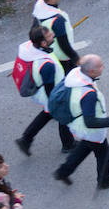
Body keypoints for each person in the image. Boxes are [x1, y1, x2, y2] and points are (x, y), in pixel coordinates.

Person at [53, 54, 109, 189]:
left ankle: (63, 171)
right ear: (92, 71)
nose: (103, 67)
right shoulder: (89, 95)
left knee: (84, 148)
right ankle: (104, 180)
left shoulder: (76, 74)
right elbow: (90, 122)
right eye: (100, 66)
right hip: (89, 130)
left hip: (78, 125)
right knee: (105, 154)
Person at [14, 25, 75, 156]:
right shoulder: (46, 65)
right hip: (51, 93)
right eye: (49, 36)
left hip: (42, 91)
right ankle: (68, 144)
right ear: (43, 43)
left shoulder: (32, 49)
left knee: (47, 114)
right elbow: (50, 89)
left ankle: (26, 139)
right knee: (63, 114)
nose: (52, 35)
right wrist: (56, 103)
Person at [31, 0, 80, 73]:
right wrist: (77, 59)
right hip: (63, 58)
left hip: (50, 55)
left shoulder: (39, 9)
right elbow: (64, 44)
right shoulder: (57, 20)